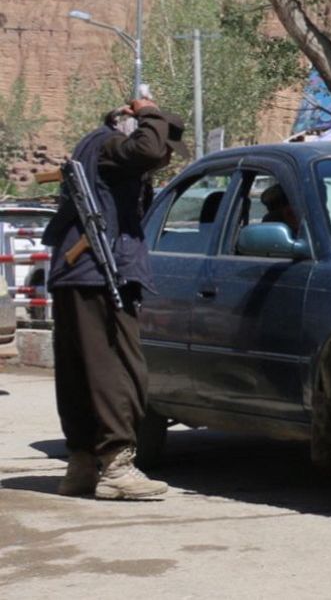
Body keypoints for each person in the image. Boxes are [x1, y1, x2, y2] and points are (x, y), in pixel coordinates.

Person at [42, 96, 188, 499]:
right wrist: (151, 114)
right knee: (118, 370)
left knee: (83, 371)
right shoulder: (111, 145)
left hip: (81, 274)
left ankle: (83, 464)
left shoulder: (103, 149)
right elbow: (147, 149)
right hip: (96, 275)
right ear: (133, 125)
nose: (163, 160)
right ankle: (116, 465)